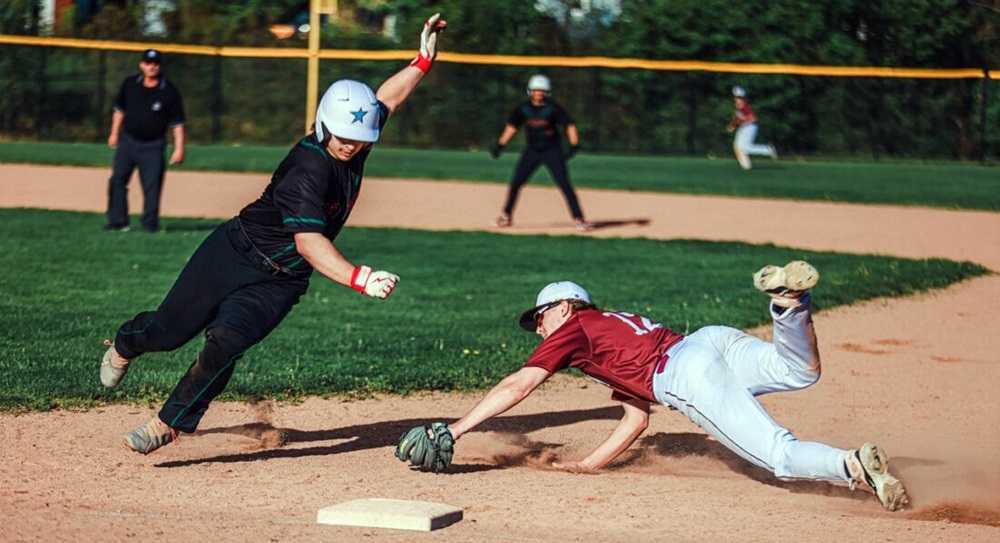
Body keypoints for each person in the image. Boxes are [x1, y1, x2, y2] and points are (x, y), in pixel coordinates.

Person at [99, 14, 448, 455]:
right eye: (344, 136)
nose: (352, 145)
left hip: (282, 281)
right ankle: (125, 343)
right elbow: (309, 242)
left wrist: (422, 62)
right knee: (168, 332)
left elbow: (385, 100)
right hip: (234, 251)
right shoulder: (309, 167)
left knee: (226, 343)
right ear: (325, 125)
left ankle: (167, 424)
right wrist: (360, 278)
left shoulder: (355, 141)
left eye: (360, 138)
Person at [415, 261, 909, 512]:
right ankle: (789, 306)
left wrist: (454, 431)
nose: (538, 328)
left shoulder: (573, 329)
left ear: (563, 307)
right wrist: (587, 465)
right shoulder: (608, 328)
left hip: (686, 373)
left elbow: (519, 385)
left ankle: (850, 465)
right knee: (798, 371)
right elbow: (636, 418)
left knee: (778, 456)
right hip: (707, 342)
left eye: (539, 317)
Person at [490, 74, 591, 232]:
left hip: (552, 151)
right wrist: (500, 144)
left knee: (564, 185)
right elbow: (512, 126)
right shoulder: (524, 109)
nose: (538, 93)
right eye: (536, 90)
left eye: (542, 90)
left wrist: (574, 145)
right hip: (532, 151)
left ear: (547, 92)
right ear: (530, 91)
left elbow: (569, 125)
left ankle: (579, 218)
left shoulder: (553, 108)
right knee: (516, 183)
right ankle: (506, 216)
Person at [106, 48, 186, 232]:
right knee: (117, 180)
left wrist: (179, 148)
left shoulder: (169, 91)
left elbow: (177, 123)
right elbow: (119, 110)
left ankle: (149, 225)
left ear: (160, 66)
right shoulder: (130, 84)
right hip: (128, 141)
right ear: (142, 65)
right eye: (148, 63)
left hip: (153, 145)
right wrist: (114, 133)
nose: (152, 66)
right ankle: (118, 222)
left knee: (152, 186)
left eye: (156, 63)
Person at [726, 86, 777, 171]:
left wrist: (738, 123)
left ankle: (767, 150)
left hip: (750, 127)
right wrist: (732, 126)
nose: (737, 99)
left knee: (743, 148)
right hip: (744, 127)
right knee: (738, 147)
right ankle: (747, 164)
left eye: (739, 97)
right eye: (736, 97)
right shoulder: (738, 106)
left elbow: (753, 118)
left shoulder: (744, 106)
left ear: (742, 98)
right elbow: (737, 119)